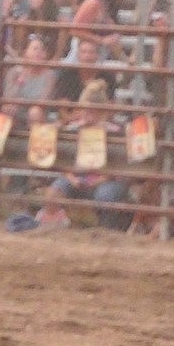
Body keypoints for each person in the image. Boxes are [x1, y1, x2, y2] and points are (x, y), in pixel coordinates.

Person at [46, 78, 129, 231]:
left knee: (105, 196)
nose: (89, 114)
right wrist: (71, 177)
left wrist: (100, 179)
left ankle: (105, 230)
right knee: (54, 192)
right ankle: (57, 226)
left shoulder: (114, 132)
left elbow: (120, 166)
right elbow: (63, 159)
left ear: (102, 111)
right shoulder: (73, 130)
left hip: (105, 179)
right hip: (77, 176)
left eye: (94, 110)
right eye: (86, 109)